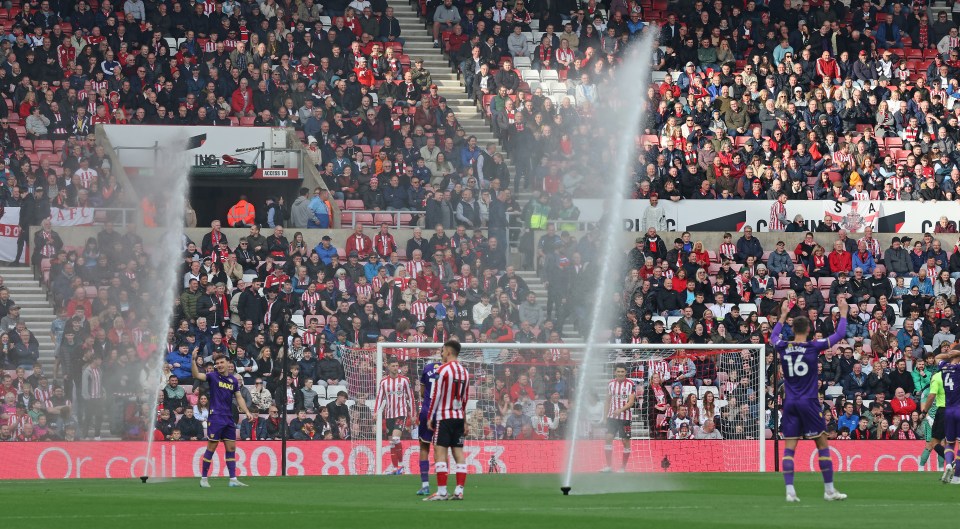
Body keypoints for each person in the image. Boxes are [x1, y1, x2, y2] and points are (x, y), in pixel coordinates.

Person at [772, 297, 849, 502]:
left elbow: (773, 337)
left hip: (789, 402)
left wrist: (782, 315)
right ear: (808, 330)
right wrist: (843, 312)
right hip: (809, 401)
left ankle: (790, 492)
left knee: (789, 449)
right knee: (822, 445)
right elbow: (840, 334)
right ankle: (829, 490)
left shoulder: (783, 346)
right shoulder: (813, 347)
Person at [191, 350, 256, 488]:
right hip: (215, 417)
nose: (219, 365)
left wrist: (247, 412)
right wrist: (193, 360)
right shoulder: (213, 376)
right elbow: (196, 375)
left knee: (231, 448)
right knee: (212, 447)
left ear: (228, 364)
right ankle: (203, 478)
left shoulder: (233, 380)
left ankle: (233, 479)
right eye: (217, 363)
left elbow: (238, 397)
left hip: (228, 418)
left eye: (222, 362)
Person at [424, 340, 470, 501]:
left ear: (449, 352)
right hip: (458, 417)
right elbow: (465, 398)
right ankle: (459, 490)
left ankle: (442, 492)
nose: (441, 354)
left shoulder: (443, 370)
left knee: (439, 451)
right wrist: (464, 420)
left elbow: (436, 395)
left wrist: (430, 416)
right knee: (458, 452)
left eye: (443, 351)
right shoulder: (465, 372)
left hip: (444, 416)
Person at [375, 357, 415, 474]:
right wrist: (376, 411)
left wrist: (412, 414)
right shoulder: (383, 382)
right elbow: (379, 398)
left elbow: (411, 397)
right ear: (388, 367)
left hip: (401, 414)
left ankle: (402, 465)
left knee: (396, 438)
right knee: (391, 442)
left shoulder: (404, 380)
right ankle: (395, 468)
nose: (395, 368)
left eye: (397, 366)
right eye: (393, 366)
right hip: (389, 415)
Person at [932, 349, 960, 484]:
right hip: (959, 410)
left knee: (949, 443)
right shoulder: (959, 368)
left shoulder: (943, 367)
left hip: (948, 411)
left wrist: (949, 354)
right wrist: (956, 353)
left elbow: (937, 357)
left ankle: (948, 464)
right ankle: (956, 477)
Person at [602, 364, 635, 473]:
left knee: (625, 441)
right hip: (612, 417)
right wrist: (605, 417)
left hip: (625, 418)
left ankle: (623, 468)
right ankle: (609, 466)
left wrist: (620, 410)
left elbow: (631, 402)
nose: (620, 373)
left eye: (622, 372)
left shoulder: (631, 384)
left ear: (625, 372)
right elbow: (607, 401)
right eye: (618, 371)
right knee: (608, 437)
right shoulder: (610, 384)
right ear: (615, 372)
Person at [416, 360, 441, 495]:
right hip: (442, 413)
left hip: (427, 412)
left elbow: (421, 393)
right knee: (440, 449)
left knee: (424, 447)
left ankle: (425, 486)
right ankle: (441, 487)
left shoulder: (427, 368)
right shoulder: (449, 370)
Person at [919, 366, 947, 471]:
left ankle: (941, 469)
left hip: (941, 418)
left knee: (942, 443)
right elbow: (923, 408)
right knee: (929, 445)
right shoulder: (926, 392)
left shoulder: (942, 389)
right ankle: (920, 468)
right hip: (930, 420)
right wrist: (929, 418)